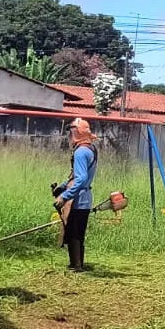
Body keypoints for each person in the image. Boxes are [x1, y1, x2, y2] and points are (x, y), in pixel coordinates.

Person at [52, 117, 98, 272]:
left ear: (76, 133)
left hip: (78, 199)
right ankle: (77, 263)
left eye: (71, 132)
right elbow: (77, 176)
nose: (69, 136)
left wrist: (65, 196)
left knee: (73, 232)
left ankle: (76, 265)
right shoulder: (91, 149)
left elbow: (81, 178)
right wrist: (63, 187)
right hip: (86, 197)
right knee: (77, 232)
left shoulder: (80, 152)